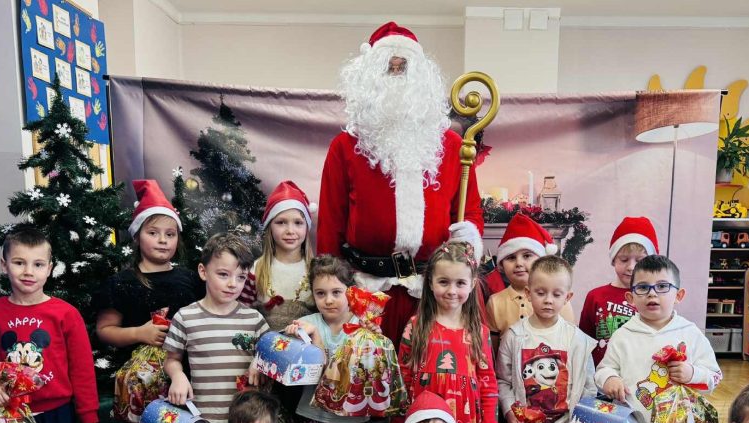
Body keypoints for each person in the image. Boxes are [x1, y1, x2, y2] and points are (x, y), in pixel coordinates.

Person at [317, 21, 484, 345]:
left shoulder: (451, 146)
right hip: (365, 294)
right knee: (365, 374)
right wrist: (330, 286)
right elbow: (330, 225)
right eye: (388, 68)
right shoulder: (345, 146)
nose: (396, 76)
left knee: (430, 375)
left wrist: (469, 239)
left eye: (403, 67)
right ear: (370, 78)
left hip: (433, 295)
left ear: (420, 76)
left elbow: (470, 212)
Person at [594, 254, 722, 423]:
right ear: (631, 298)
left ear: (679, 295)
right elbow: (603, 369)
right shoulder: (624, 335)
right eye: (643, 288)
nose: (652, 294)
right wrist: (610, 379)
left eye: (662, 287)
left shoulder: (690, 333)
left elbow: (713, 377)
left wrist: (692, 373)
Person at [0, 224, 99, 423]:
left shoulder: (66, 314)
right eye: (19, 263)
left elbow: (82, 369)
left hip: (58, 414)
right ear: (4, 265)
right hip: (10, 414)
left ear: (49, 269)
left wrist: (89, 417)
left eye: (38, 264)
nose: (28, 272)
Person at [164, 233, 269, 423]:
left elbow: (272, 354)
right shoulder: (186, 317)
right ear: (203, 271)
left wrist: (259, 362)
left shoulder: (253, 319)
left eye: (241, 277)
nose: (233, 284)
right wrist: (178, 376)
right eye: (223, 274)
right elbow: (172, 359)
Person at [391, 241, 498, 423]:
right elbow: (401, 381)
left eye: (460, 283)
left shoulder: (479, 332)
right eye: (443, 282)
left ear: (472, 284)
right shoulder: (416, 326)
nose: (452, 291)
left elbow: (488, 384)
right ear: (430, 282)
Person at [283, 256, 370, 423]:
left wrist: (317, 339)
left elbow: (353, 373)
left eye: (336, 292)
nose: (328, 300)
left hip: (353, 421)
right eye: (320, 293)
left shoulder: (363, 326)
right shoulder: (308, 324)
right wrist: (295, 337)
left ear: (350, 292)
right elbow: (311, 370)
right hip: (315, 419)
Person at [497, 255, 596, 423]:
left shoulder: (577, 340)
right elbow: (502, 380)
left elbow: (589, 390)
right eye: (541, 293)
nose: (548, 300)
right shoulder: (514, 336)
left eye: (556, 294)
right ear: (528, 293)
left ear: (567, 297)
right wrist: (509, 412)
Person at [94, 179, 202, 374]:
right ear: (137, 236)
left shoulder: (191, 280)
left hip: (188, 374)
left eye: (170, 234)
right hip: (139, 379)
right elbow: (105, 330)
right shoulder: (120, 283)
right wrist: (139, 333)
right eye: (153, 233)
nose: (162, 240)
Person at [579, 217, 659, 366]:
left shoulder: (655, 298)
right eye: (624, 259)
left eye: (639, 260)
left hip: (641, 376)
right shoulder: (595, 297)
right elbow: (583, 342)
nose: (631, 267)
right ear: (613, 260)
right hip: (600, 376)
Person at [242, 180, 316, 331]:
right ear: (270, 227)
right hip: (264, 343)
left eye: (298, 223)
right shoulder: (256, 270)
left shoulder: (318, 270)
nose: (290, 230)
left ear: (306, 227)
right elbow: (243, 316)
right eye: (281, 222)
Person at [485, 214, 574, 337]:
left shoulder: (559, 299)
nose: (519, 263)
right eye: (511, 257)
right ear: (502, 264)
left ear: (541, 260)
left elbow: (571, 339)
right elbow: (493, 345)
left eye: (527, 256)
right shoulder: (495, 302)